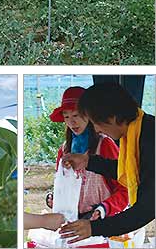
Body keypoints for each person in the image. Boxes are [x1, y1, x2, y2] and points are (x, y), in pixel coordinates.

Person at [59, 83, 155, 244]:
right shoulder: (139, 130)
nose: (96, 129)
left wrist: (95, 228)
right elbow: (129, 170)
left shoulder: (150, 140)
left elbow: (147, 209)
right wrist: (87, 161)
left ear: (113, 118)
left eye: (96, 122)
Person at [46, 87, 128, 221]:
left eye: (76, 115)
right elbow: (62, 185)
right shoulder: (64, 150)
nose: (71, 122)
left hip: (104, 221)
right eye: (66, 117)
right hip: (73, 222)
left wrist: (105, 208)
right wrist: (54, 198)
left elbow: (125, 187)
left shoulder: (104, 145)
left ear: (88, 115)